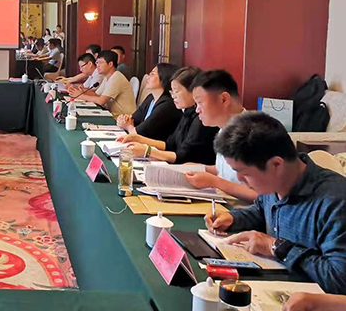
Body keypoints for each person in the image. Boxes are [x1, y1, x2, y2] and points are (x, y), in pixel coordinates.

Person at [205, 112, 346, 295]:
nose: (239, 179)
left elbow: (339, 280)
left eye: (245, 173)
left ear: (276, 164)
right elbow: (262, 210)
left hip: (310, 303)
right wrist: (233, 218)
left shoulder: (335, 202)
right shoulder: (274, 184)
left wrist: (277, 248)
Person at [118, 67, 219, 165]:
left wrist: (148, 151)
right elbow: (170, 144)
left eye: (177, 91)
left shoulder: (201, 119)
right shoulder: (187, 113)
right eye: (172, 91)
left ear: (193, 91)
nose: (173, 95)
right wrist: (138, 139)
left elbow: (184, 156)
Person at [185, 69, 257, 201]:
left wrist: (215, 182)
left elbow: (261, 196)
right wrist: (202, 169)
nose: (197, 110)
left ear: (224, 99)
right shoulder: (224, 130)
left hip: (240, 209)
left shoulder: (254, 135)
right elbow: (225, 171)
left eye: (200, 102)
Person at [117, 63, 182, 141]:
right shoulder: (151, 98)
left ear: (163, 79)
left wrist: (128, 127)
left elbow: (138, 134)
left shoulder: (167, 105)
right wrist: (124, 120)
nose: (148, 77)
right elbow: (133, 119)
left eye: (152, 74)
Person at [75, 50, 136, 117]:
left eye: (100, 63)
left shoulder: (116, 77)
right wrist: (81, 91)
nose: (97, 66)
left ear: (110, 64)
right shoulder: (107, 77)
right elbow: (96, 94)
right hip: (113, 115)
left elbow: (101, 101)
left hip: (123, 118)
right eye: (97, 63)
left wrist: (80, 96)